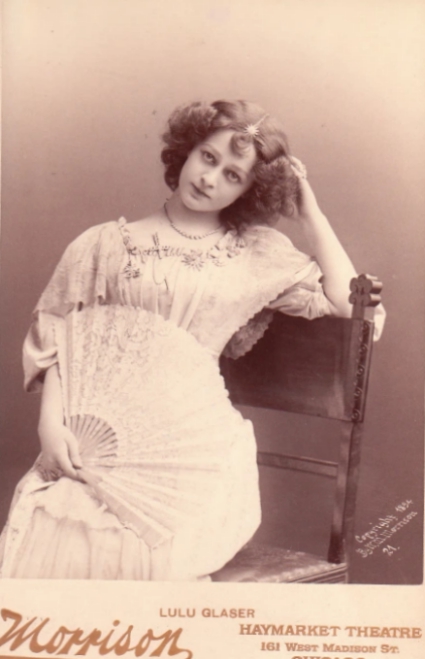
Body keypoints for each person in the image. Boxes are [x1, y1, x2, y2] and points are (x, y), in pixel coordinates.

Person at [0, 99, 384, 580]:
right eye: (208, 157)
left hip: (196, 453)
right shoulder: (102, 244)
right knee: (61, 528)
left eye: (233, 175)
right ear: (187, 149)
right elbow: (63, 337)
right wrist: (50, 425)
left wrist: (310, 211)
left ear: (249, 190)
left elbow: (351, 305)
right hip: (97, 439)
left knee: (131, 548)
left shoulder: (256, 254)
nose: (210, 178)